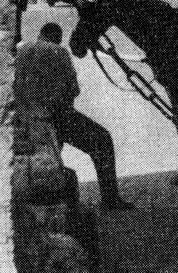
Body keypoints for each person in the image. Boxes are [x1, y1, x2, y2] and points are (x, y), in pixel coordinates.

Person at [14, 22, 131, 211]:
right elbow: (72, 90)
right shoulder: (59, 51)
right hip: (55, 115)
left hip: (22, 117)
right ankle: (110, 199)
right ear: (58, 38)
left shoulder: (20, 50)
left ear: (40, 34)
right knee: (102, 140)